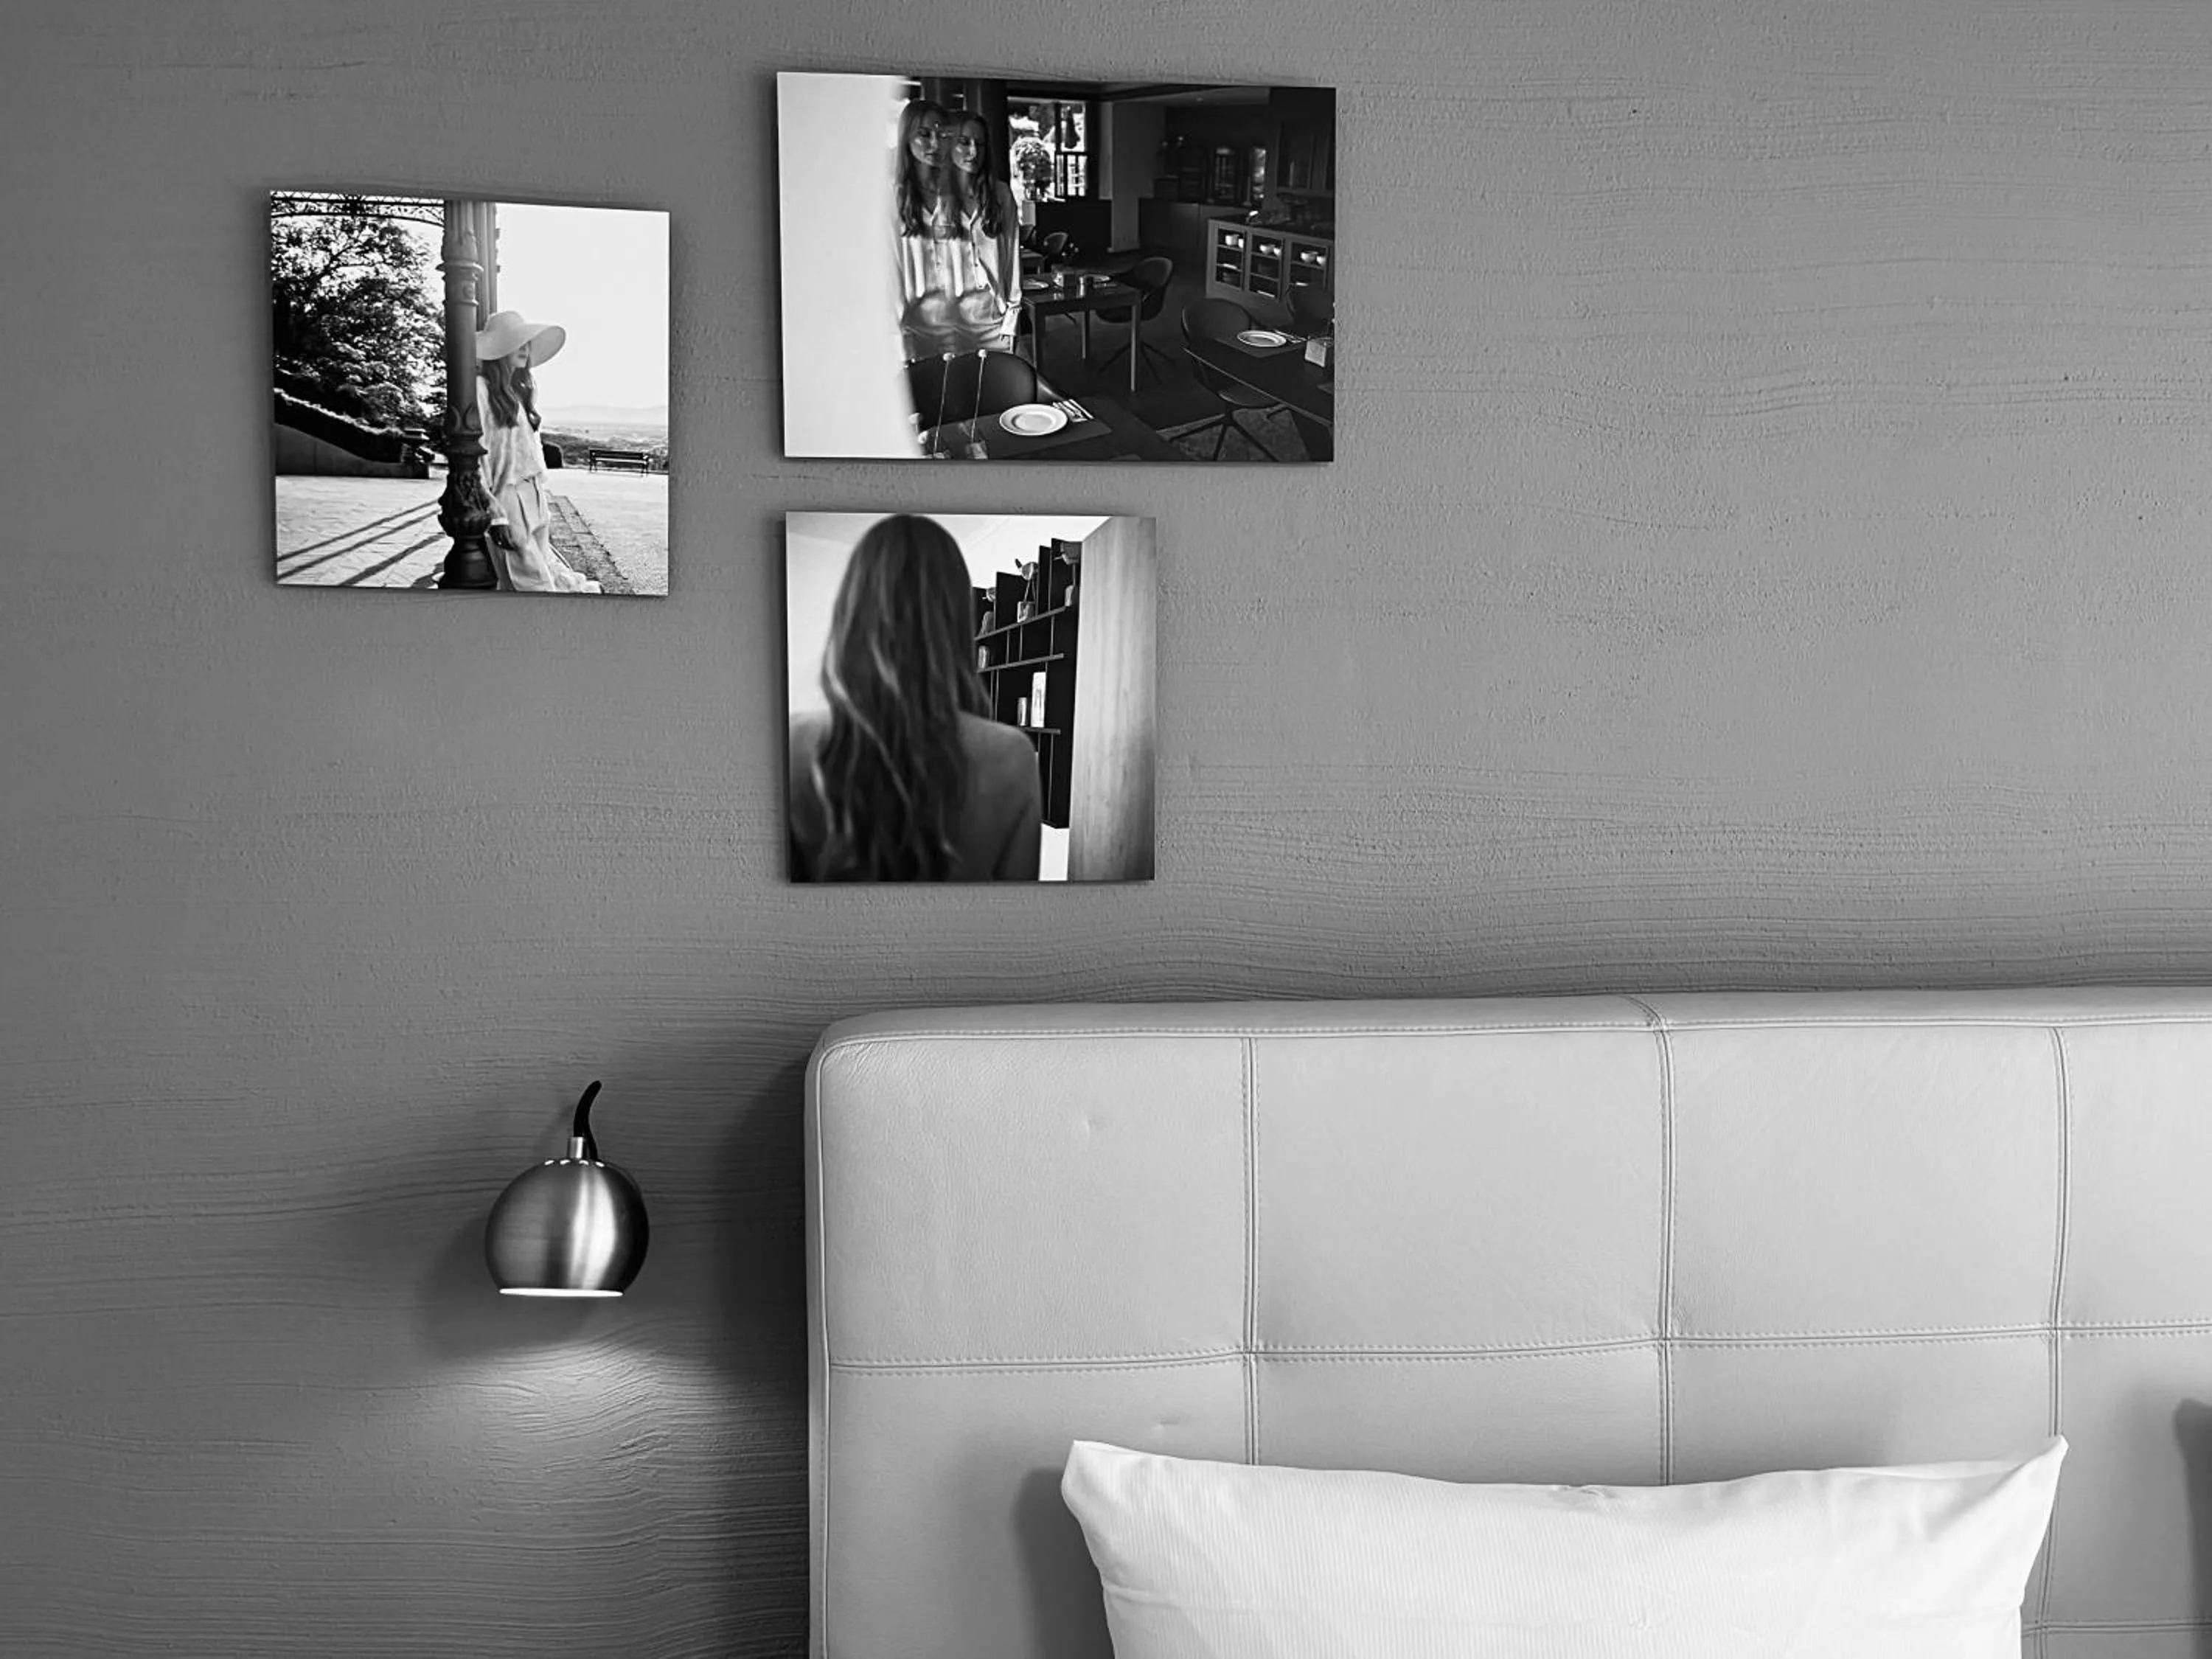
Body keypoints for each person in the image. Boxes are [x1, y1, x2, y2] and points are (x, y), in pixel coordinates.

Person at [788, 515, 1041, 882]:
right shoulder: (1011, 755)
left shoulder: (795, 744)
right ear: (956, 616)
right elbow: (1016, 919)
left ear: (853, 611)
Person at [472, 310, 599, 594]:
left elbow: (530, 450)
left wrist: (542, 493)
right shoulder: (480, 390)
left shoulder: (520, 392)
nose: (525, 348)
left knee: (541, 578)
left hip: (535, 495)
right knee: (531, 586)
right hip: (507, 498)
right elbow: (476, 459)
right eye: (517, 342)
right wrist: (496, 516)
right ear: (498, 348)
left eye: (527, 342)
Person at [943, 110, 1020, 353]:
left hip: (994, 322)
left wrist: (1011, 323)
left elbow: (1012, 263)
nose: (973, 152)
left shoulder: (1001, 195)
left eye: (980, 144)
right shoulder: (931, 200)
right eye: (964, 142)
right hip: (946, 327)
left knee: (1005, 388)